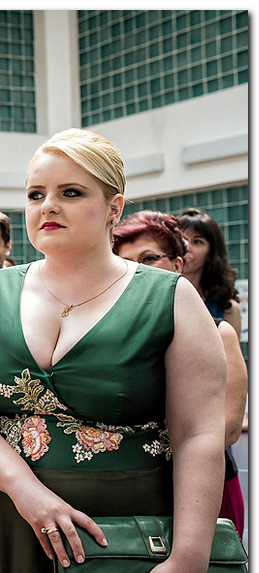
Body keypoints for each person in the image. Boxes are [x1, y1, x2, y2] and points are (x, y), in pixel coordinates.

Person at [0, 128, 241, 573]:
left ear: (113, 208)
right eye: (36, 194)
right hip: (6, 527)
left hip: (127, 529)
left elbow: (200, 435)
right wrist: (27, 492)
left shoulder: (170, 298)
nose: (48, 206)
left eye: (70, 192)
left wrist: (190, 561)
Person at [113, 210, 248, 538]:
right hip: (130, 490)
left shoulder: (219, 333)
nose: (137, 270)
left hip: (205, 487)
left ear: (177, 265)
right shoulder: (110, 341)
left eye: (149, 258)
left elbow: (229, 427)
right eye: (125, 262)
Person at [176, 208, 242, 338]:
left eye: (197, 241)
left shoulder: (228, 308)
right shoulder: (157, 298)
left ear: (211, 254)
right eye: (181, 239)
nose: (186, 247)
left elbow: (230, 350)